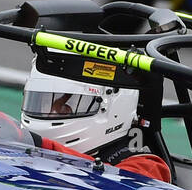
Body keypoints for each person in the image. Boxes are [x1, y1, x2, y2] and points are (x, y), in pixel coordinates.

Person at [18, 63, 171, 182]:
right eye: (42, 102)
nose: (51, 111)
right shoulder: (23, 149)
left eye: (67, 107)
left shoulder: (146, 166)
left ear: (113, 107)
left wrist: (40, 145)